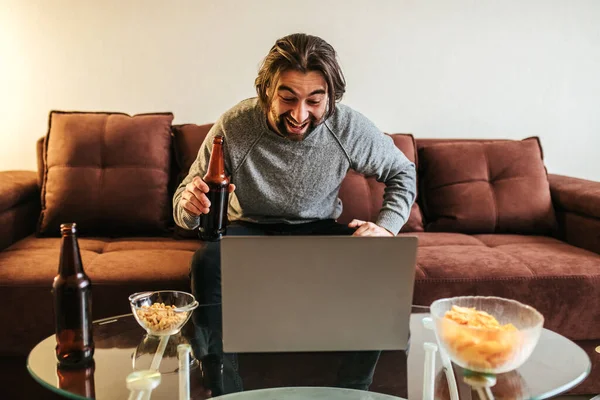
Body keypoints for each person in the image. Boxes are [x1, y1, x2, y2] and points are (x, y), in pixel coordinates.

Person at [173, 33, 416, 394]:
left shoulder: (347, 126)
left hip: (318, 228)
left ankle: (353, 389)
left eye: (314, 101)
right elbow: (184, 203)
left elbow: (403, 171)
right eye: (287, 98)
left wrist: (387, 228)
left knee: (381, 260)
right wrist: (190, 206)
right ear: (266, 92)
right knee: (207, 261)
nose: (300, 115)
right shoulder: (235, 126)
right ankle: (225, 387)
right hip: (248, 229)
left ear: (330, 99)